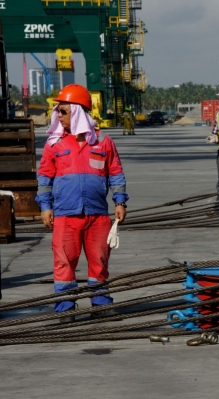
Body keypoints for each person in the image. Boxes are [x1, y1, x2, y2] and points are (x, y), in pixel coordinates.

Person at [35, 84, 128, 322]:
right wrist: (45, 207)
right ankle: (66, 307)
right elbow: (44, 177)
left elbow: (115, 172)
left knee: (99, 260)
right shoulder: (54, 144)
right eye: (58, 111)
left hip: (97, 214)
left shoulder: (103, 142)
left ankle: (100, 303)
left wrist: (120, 201)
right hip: (66, 214)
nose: (59, 115)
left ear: (77, 111)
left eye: (63, 111)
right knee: (64, 261)